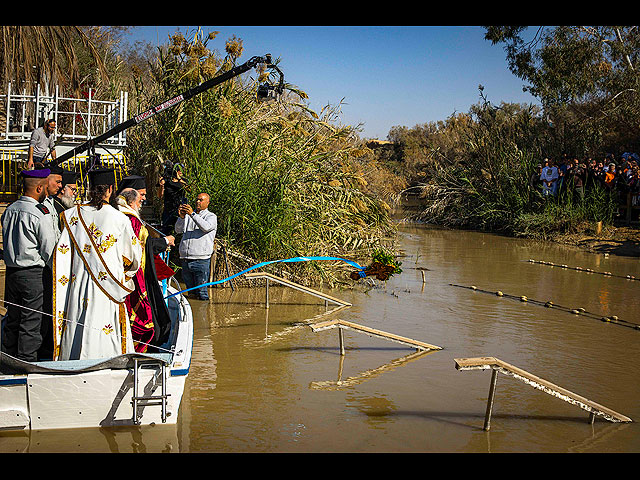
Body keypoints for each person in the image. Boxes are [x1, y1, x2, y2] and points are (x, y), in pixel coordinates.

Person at [52, 168, 143, 361]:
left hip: (78, 285)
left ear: (91, 189)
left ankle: (72, 361)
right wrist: (124, 274)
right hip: (108, 289)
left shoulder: (71, 216)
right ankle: (108, 361)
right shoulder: (120, 219)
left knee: (78, 321)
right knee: (105, 326)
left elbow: (62, 252)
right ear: (110, 190)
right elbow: (134, 257)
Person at [1, 168, 58, 362]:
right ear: (40, 188)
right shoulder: (39, 212)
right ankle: (26, 362)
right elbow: (49, 248)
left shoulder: (10, 209)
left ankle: (7, 359)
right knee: (32, 321)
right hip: (33, 273)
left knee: (13, 319)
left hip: (12, 273)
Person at [117, 183, 176, 352]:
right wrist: (164, 242)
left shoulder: (121, 216)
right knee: (142, 315)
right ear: (131, 202)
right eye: (140, 197)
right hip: (134, 273)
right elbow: (140, 246)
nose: (142, 201)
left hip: (129, 270)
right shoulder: (131, 219)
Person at [175, 193, 217, 301]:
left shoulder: (211, 216)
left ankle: (204, 315)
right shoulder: (189, 216)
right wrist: (181, 217)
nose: (198, 202)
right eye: (197, 200)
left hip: (201, 260)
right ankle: (195, 315)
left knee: (202, 293)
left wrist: (192, 214)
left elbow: (206, 227)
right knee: (191, 293)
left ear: (207, 203)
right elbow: (178, 230)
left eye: (201, 200)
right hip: (186, 259)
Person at [157, 164, 187, 235]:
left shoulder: (183, 181)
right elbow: (160, 196)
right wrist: (161, 186)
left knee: (180, 229)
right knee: (166, 229)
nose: (181, 172)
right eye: (179, 170)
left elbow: (189, 189)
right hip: (168, 209)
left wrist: (180, 179)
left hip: (180, 208)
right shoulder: (167, 181)